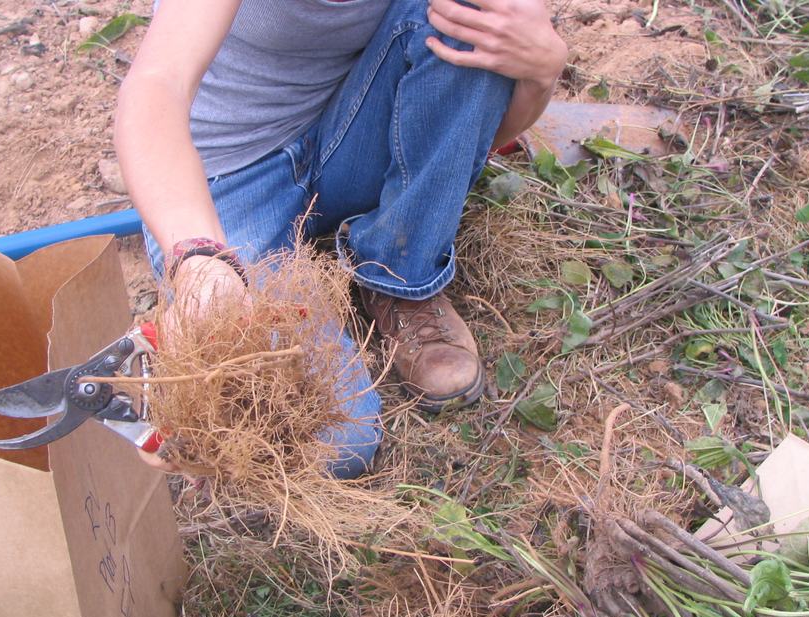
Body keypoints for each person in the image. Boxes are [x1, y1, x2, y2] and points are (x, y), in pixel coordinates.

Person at [115, 0, 567, 477]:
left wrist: (541, 73)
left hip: (340, 135)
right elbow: (156, 84)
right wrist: (199, 254)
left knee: (473, 19)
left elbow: (468, 127)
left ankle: (399, 274)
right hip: (224, 188)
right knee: (334, 444)